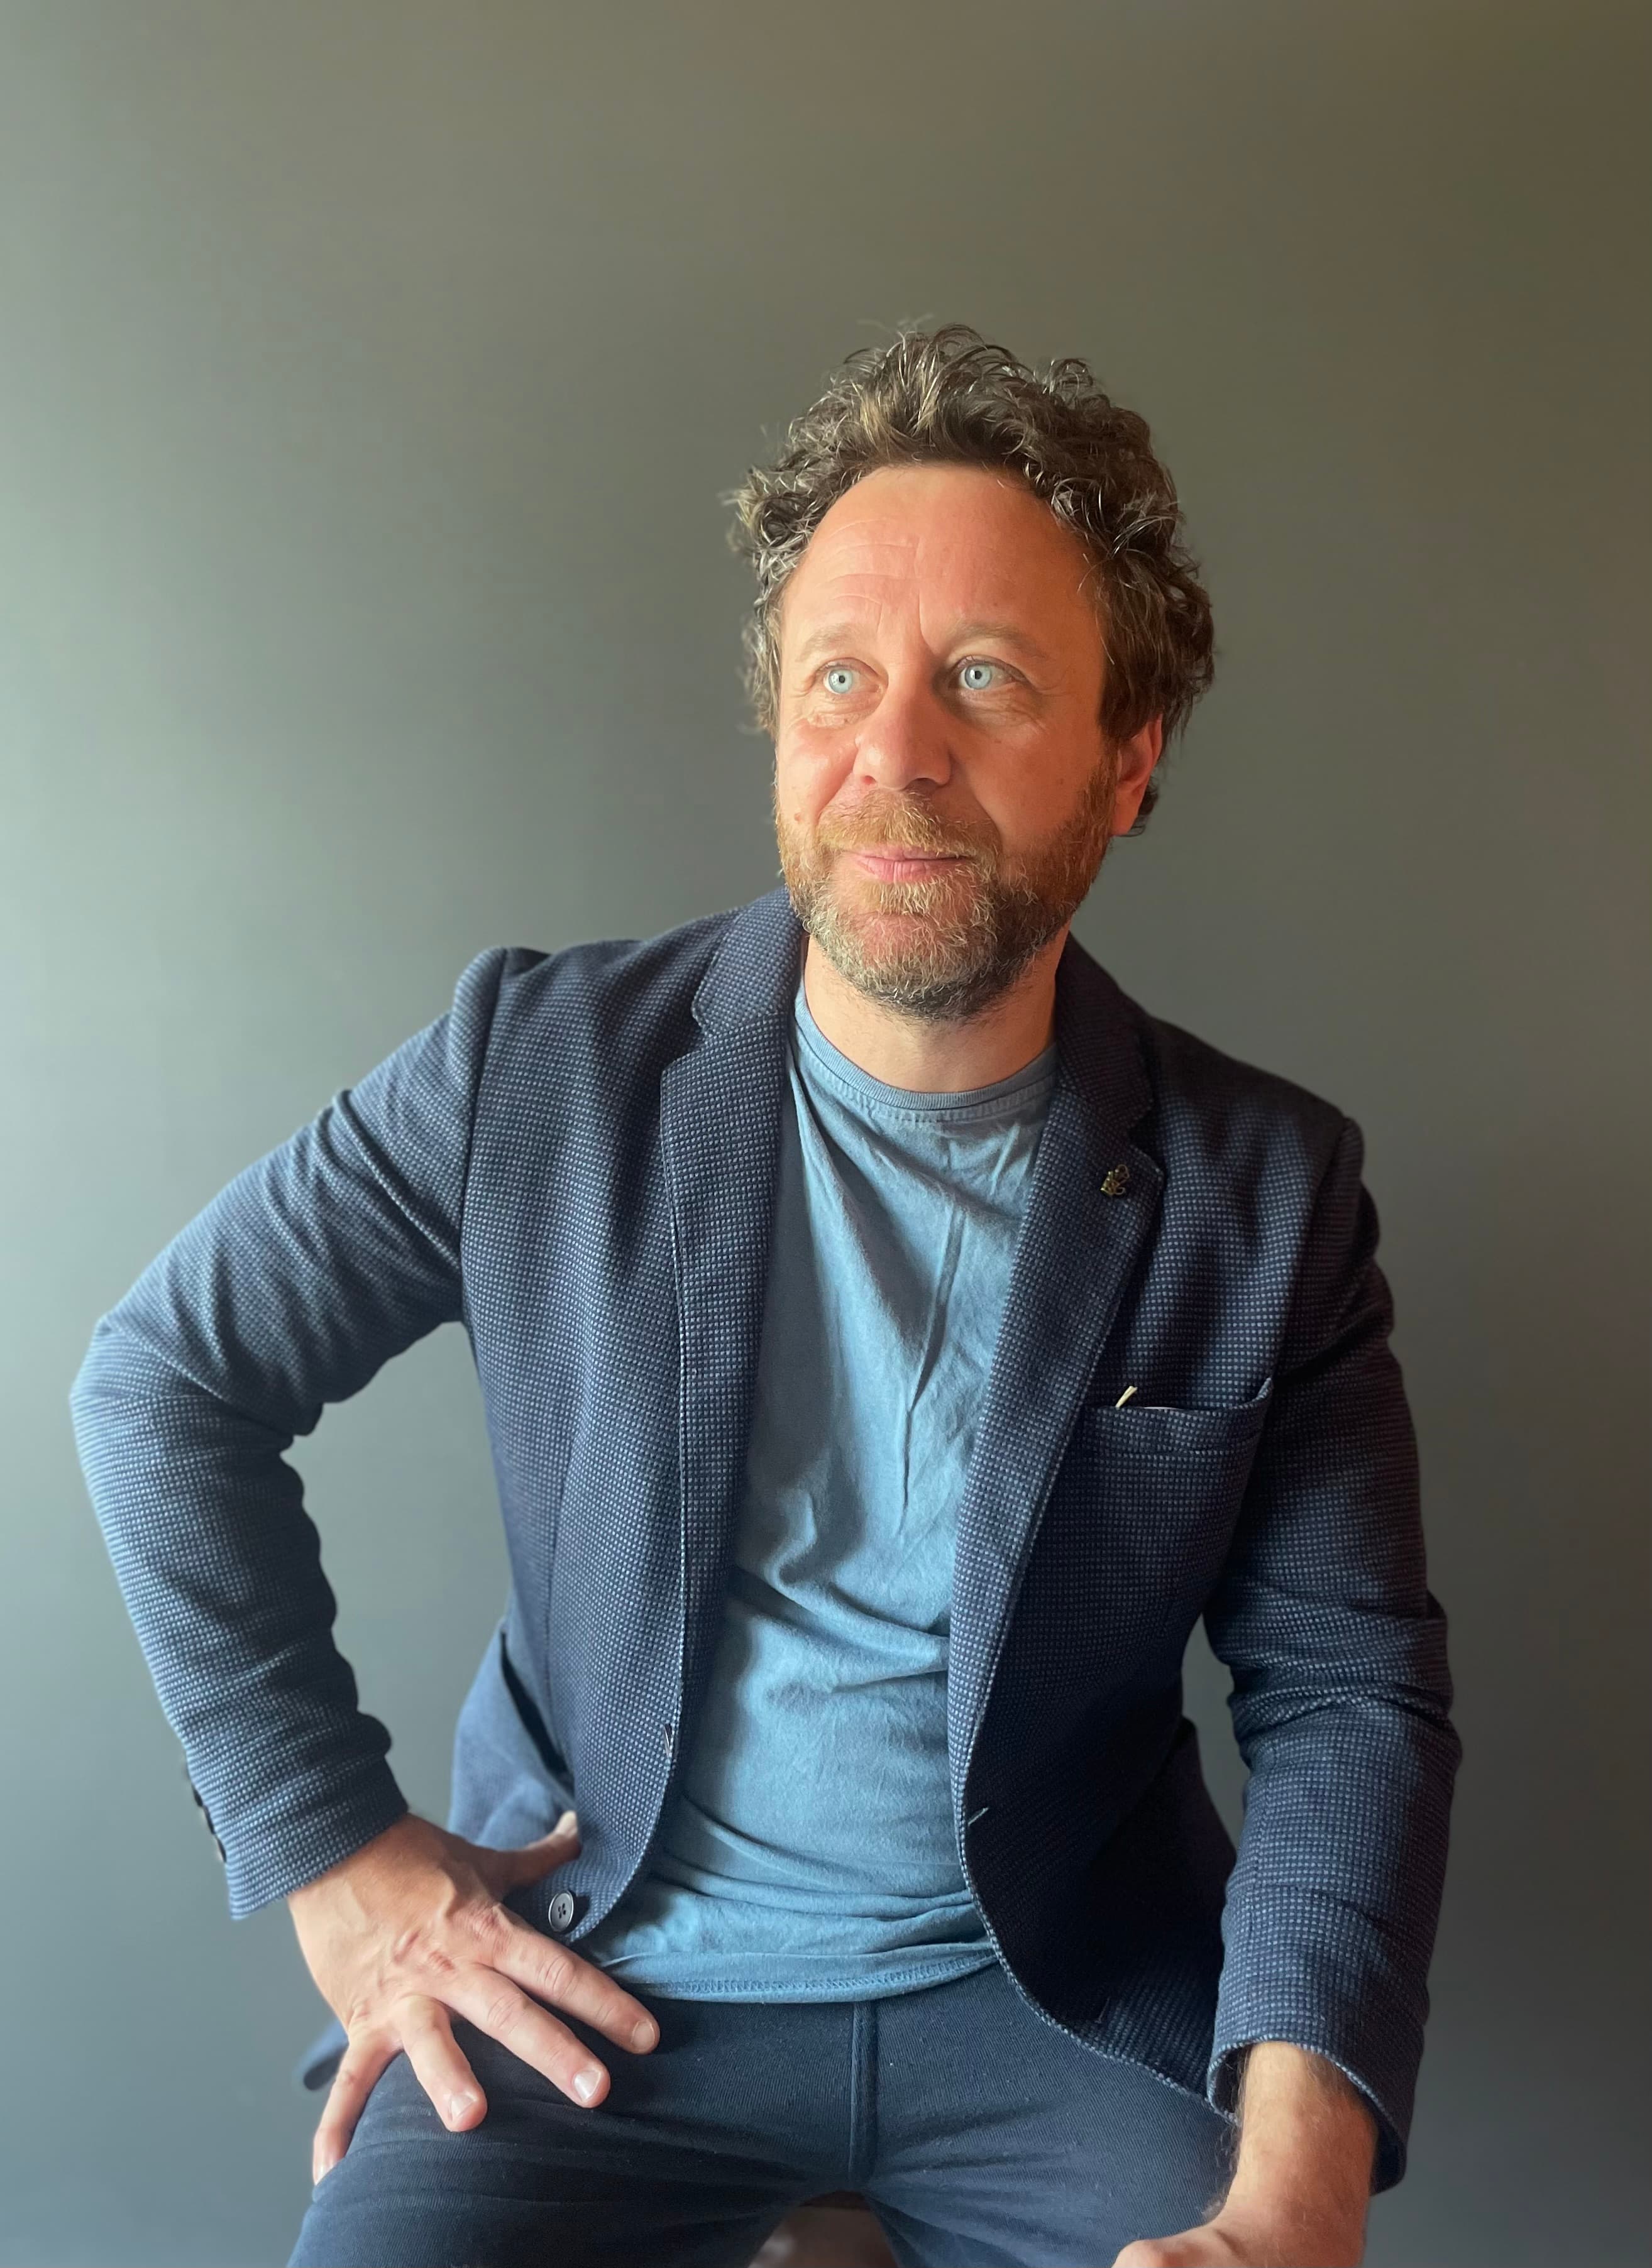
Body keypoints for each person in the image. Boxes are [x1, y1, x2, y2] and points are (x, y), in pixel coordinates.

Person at [70, 326, 1460, 2268]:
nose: (897, 752)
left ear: (1125, 761)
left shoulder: (1264, 1193)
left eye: (986, 677)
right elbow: (162, 1381)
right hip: (595, 1987)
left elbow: (1347, 1697)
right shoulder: (529, 1069)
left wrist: (1291, 2200)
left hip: (1054, 2002)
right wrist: (333, 1854)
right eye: (838, 677)